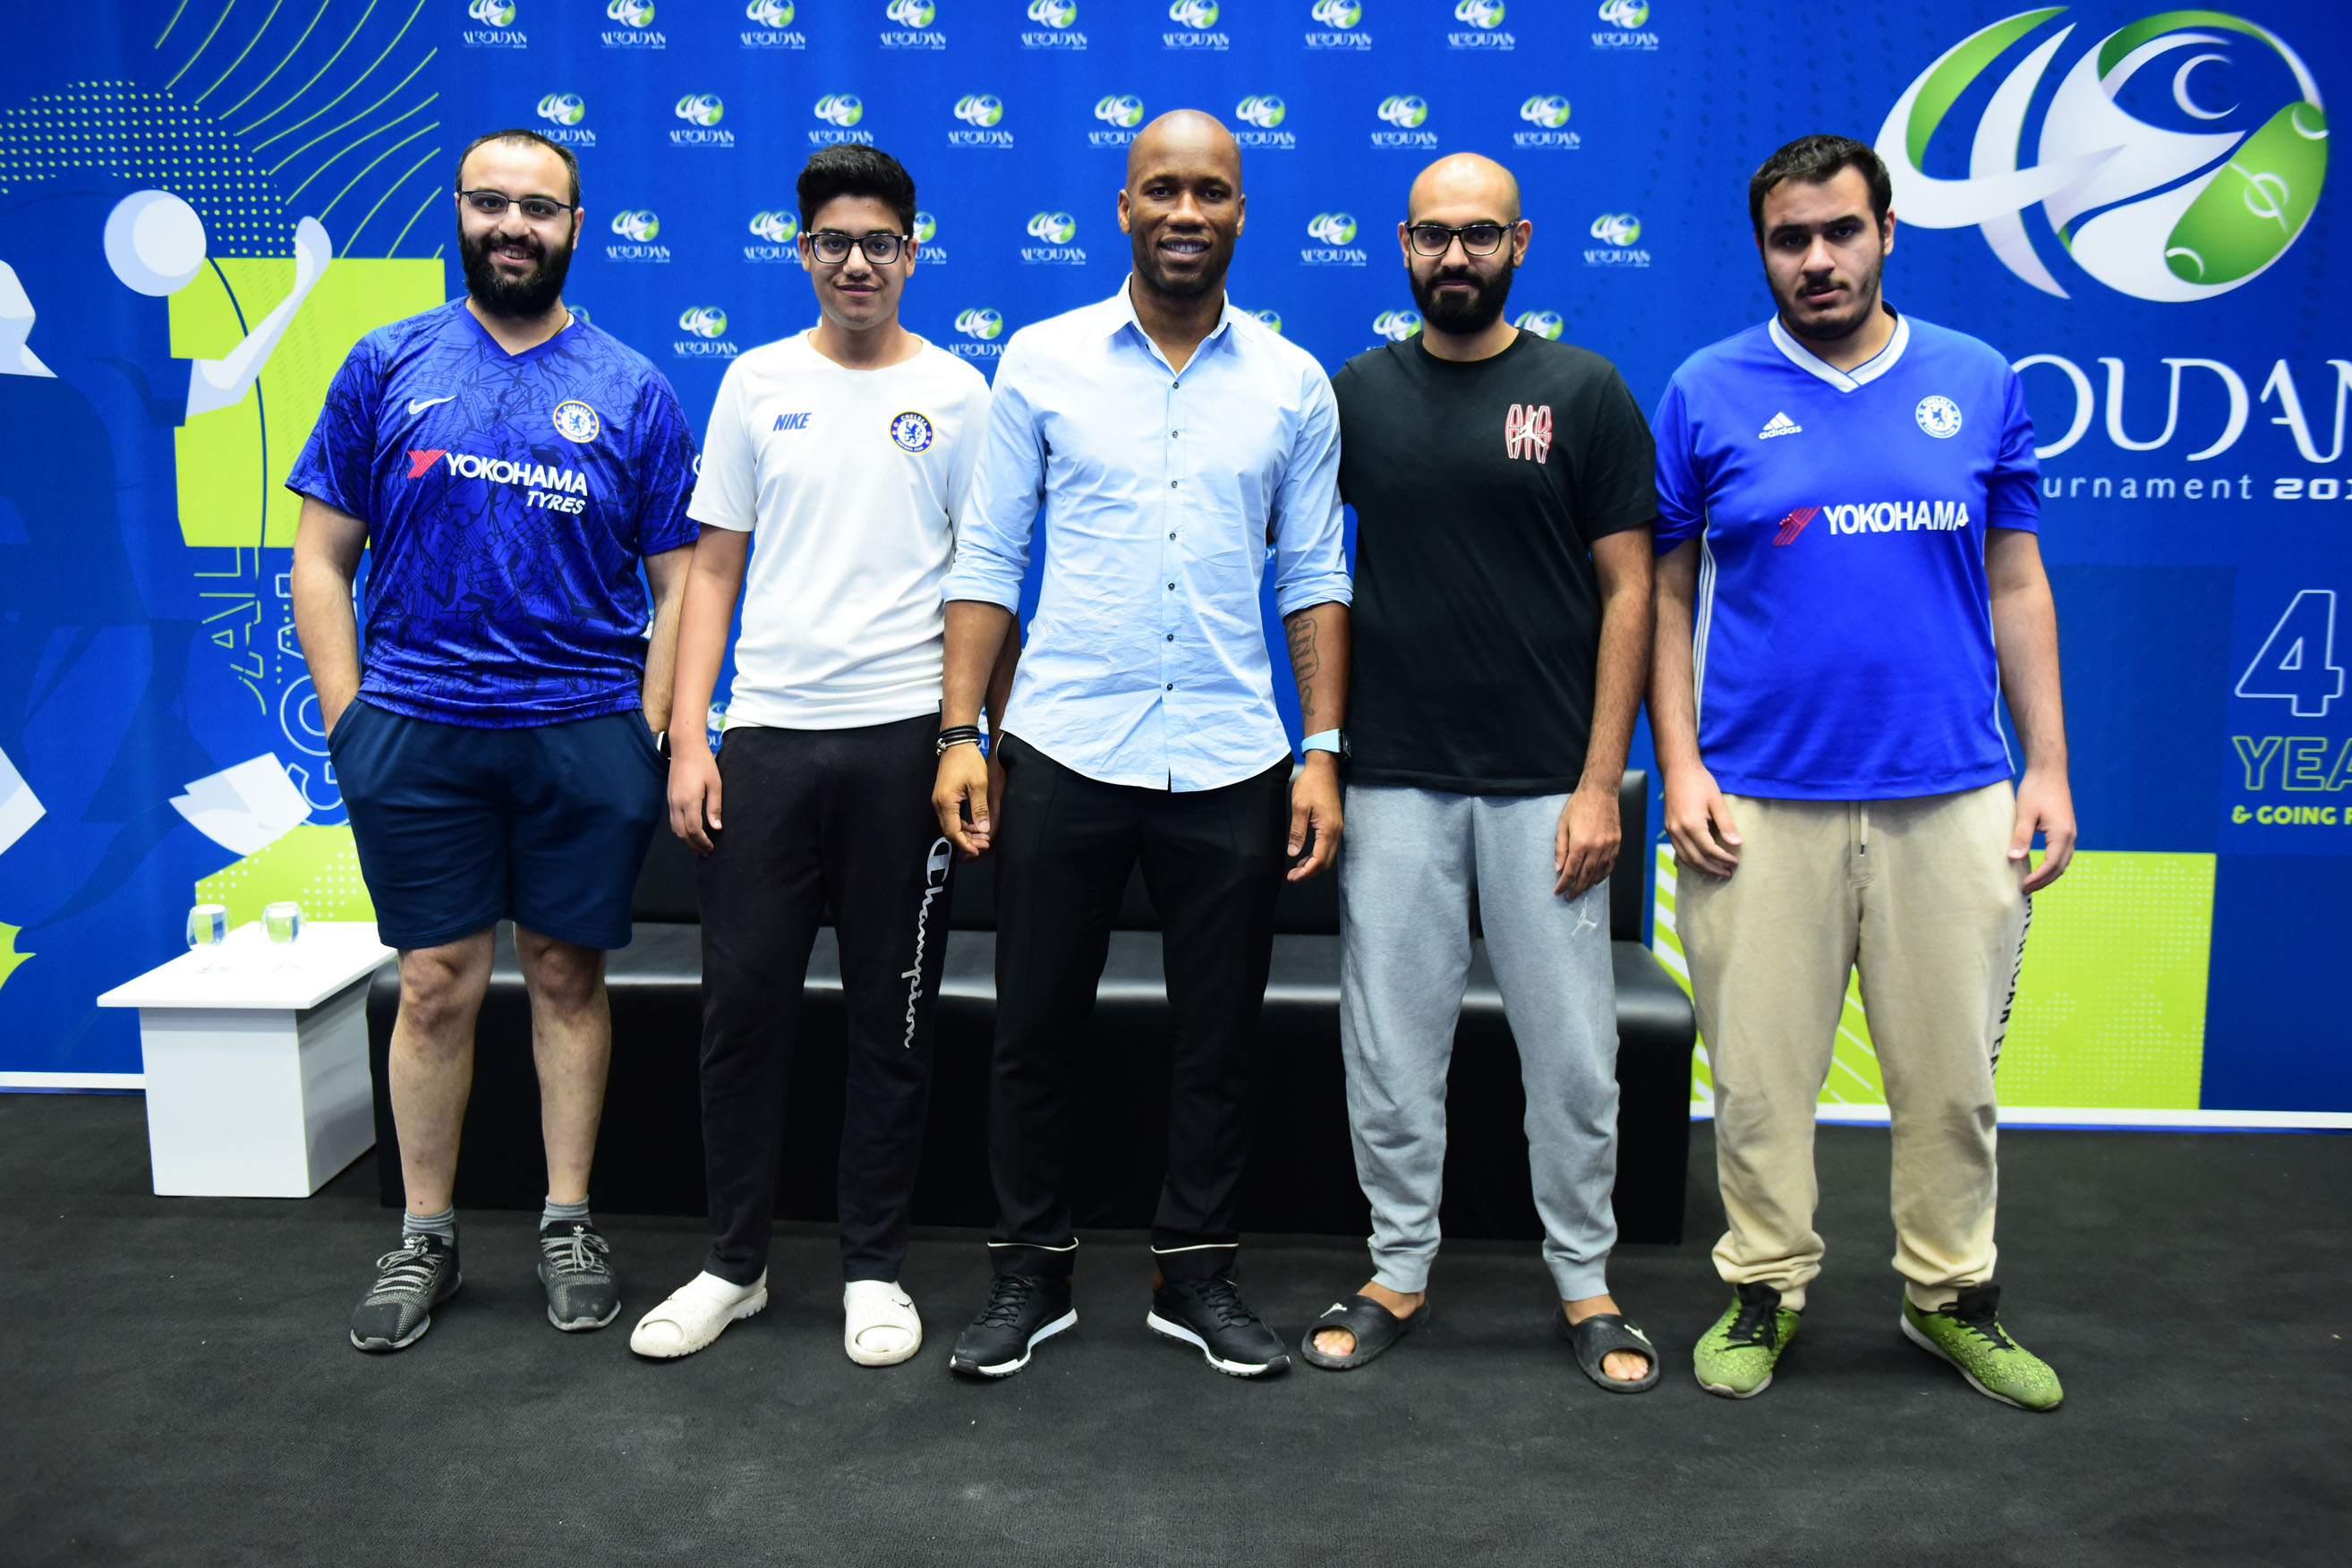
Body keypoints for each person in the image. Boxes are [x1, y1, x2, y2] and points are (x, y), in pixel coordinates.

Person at [1649, 134, 2074, 1410]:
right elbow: (1664, 596)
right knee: (1758, 1085)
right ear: (1763, 251)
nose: (1819, 259)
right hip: (1754, 800)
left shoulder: (1979, 380)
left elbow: (2017, 581)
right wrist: (1679, 766)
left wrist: (2048, 767)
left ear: (1887, 232)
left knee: (1951, 1085)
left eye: (1842, 231)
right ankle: (1763, 1287)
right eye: (1791, 239)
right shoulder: (1705, 390)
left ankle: (1951, 1298)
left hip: (1952, 793)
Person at [932, 110, 1351, 1381]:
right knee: (1033, 1029)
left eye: (1210, 192)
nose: (1185, 212)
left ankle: (1196, 1275)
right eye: (1161, 189)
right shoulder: (1042, 361)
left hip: (1231, 757)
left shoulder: (1293, 382)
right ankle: (1029, 1274)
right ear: (1123, 207)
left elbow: (1314, 574)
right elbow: (989, 554)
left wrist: (1321, 747)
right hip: (1061, 746)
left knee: (1219, 1041)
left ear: (1241, 213)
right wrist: (961, 730)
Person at [289, 129, 698, 1352]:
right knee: (432, 985)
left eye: (539, 207)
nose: (513, 225)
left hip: (583, 731)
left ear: (576, 226)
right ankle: (427, 1234)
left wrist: (648, 731)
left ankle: (569, 1222)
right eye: (491, 203)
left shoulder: (633, 386)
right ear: (461, 213)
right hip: (416, 731)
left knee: (567, 975)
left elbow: (683, 582)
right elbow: (321, 558)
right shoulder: (386, 362)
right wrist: (352, 720)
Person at [626, 146, 995, 1368]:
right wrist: (691, 737)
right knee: (742, 1016)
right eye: (834, 242)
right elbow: (712, 573)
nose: (856, 263)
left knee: (894, 1020)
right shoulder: (754, 381)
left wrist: (967, 739)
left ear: (911, 253)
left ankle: (873, 1270)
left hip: (903, 745)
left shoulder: (959, 393)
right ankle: (733, 1265)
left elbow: (983, 579)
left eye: (879, 243)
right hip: (769, 741)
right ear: (803, 252)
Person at [1300, 154, 1660, 1390]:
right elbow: (1316, 576)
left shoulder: (1585, 390)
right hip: (1394, 778)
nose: (1457, 256)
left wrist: (1602, 781)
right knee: (1391, 1050)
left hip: (1548, 786)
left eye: (1482, 235)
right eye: (1435, 236)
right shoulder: (1356, 394)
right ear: (1403, 245)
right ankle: (1398, 1267)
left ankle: (1586, 1282)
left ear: (1521, 243)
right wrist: (1327, 751)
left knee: (1573, 1056)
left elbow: (1630, 592)